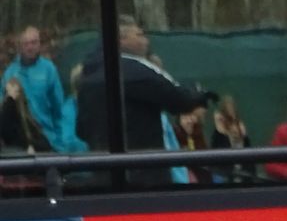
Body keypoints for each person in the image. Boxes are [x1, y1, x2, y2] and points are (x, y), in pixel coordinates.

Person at [75, 16, 214, 187]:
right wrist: (200, 95)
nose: (146, 40)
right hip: (144, 174)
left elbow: (81, 130)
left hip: (103, 175)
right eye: (139, 35)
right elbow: (178, 99)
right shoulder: (134, 70)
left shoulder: (87, 77)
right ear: (121, 39)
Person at [2, 27, 65, 150]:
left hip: (46, 137)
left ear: (39, 44)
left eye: (33, 42)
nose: (30, 47)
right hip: (19, 141)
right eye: (26, 43)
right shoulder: (10, 73)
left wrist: (59, 142)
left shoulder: (49, 70)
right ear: (20, 46)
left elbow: (58, 109)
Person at [0, 77, 47, 153]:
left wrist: (31, 146)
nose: (12, 96)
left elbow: (45, 144)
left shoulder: (28, 121)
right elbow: (7, 131)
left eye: (16, 92)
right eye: (8, 92)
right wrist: (10, 101)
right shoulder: (5, 115)